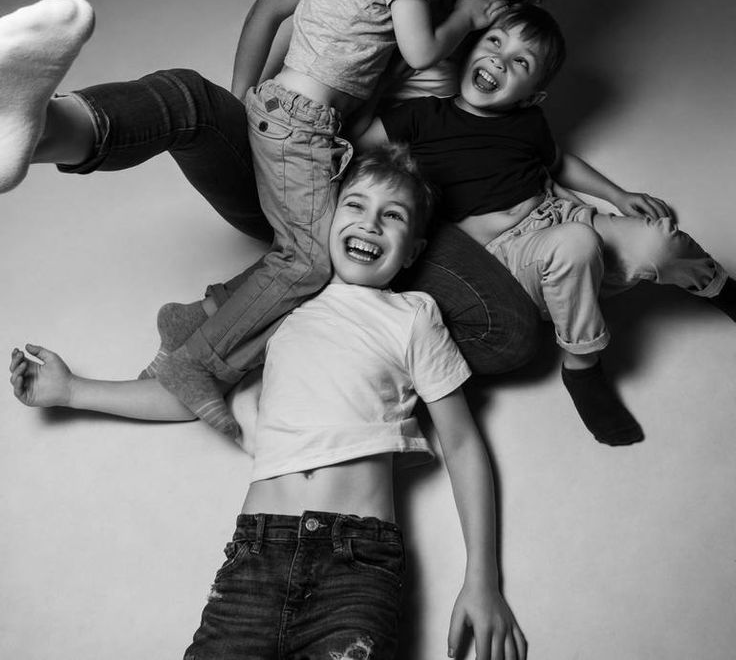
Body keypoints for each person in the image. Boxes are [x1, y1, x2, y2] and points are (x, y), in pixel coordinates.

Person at [0, 0, 554, 395]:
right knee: (187, 97)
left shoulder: (497, 14)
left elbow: (492, 131)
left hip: (371, 201)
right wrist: (242, 118)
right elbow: (270, 10)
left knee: (510, 332)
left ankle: (248, 314)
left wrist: (560, 207)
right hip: (289, 150)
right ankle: (33, 127)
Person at [9, 146, 528, 660]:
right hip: (255, 555)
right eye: (355, 205)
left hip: (355, 562)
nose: (370, 224)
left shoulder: (413, 316)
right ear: (327, 219)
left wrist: (482, 580)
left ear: (412, 251)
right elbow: (189, 394)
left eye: (392, 216)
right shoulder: (283, 312)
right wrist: (73, 391)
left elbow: (461, 442)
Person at [356, 5, 736, 446]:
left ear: (533, 94)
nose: (500, 60)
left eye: (521, 62)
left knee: (659, 243)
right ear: (470, 50)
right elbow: (360, 145)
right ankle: (582, 365)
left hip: (562, 218)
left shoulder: (527, 123)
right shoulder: (422, 117)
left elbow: (558, 161)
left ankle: (721, 288)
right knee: (572, 245)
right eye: (495, 43)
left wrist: (616, 196)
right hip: (509, 260)